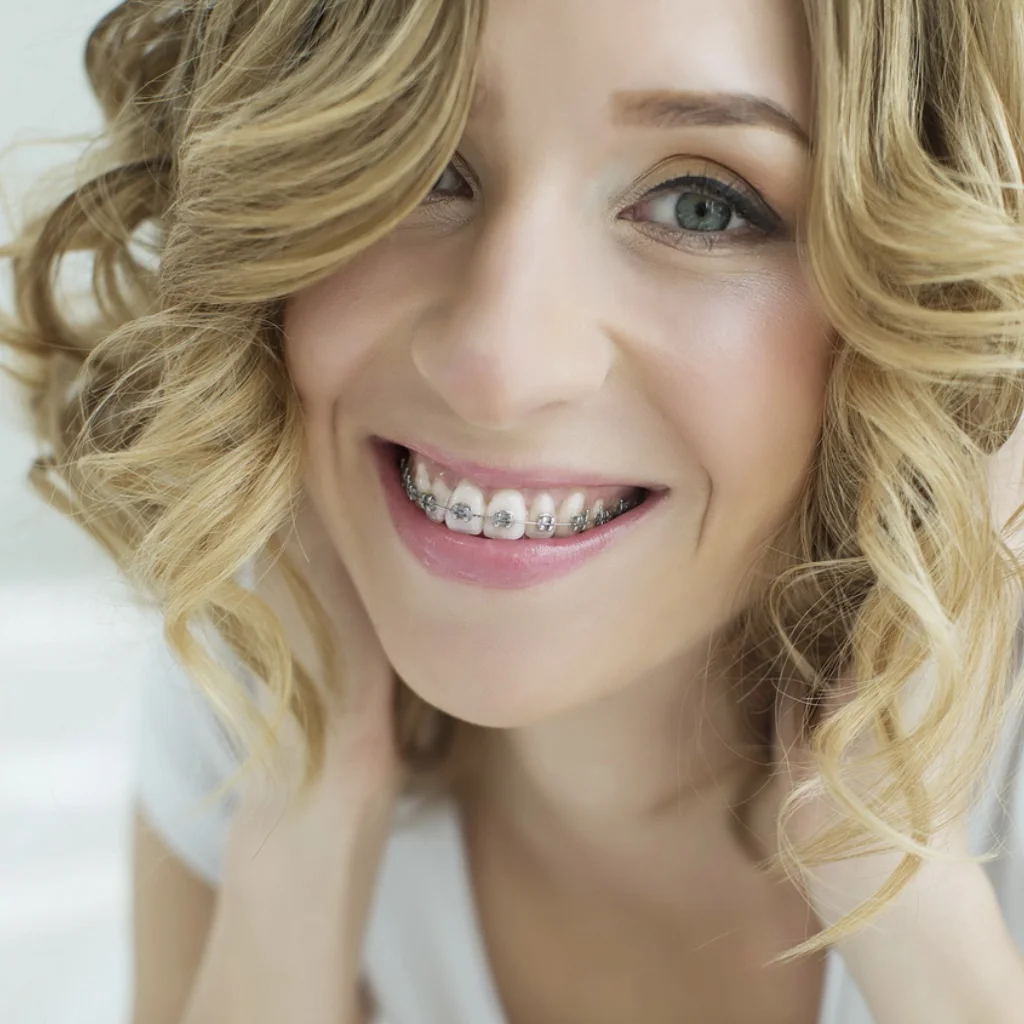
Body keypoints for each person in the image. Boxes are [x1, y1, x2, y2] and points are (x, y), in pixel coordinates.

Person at [4, 0, 1024, 1021]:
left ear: (920, 302)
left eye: (702, 206)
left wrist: (901, 888)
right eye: (417, 161)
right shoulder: (266, 660)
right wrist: (306, 826)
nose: (495, 363)